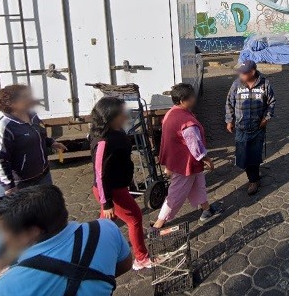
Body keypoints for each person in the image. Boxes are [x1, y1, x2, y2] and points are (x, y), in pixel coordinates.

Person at [0, 185, 132, 296]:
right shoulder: (106, 229)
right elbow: (124, 264)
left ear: (32, 232)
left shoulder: (4, 288)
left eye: (7, 230)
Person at [0, 84, 66, 276]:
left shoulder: (32, 117)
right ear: (13, 104)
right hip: (19, 185)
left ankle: (40, 251)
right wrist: (9, 187)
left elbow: (40, 136)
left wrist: (52, 143)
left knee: (44, 215)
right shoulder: (3, 127)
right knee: (13, 224)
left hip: (43, 177)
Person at [89, 96, 153, 270]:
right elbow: (100, 174)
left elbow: (123, 162)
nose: (126, 116)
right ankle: (141, 258)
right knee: (135, 218)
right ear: (111, 117)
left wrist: (130, 181)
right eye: (122, 113)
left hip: (119, 187)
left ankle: (91, 248)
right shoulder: (103, 141)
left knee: (106, 224)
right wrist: (106, 202)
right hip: (111, 191)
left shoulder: (118, 133)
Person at [153, 83, 218, 231]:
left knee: (199, 184)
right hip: (185, 163)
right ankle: (159, 223)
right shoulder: (187, 122)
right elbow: (194, 145)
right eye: (192, 97)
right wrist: (206, 159)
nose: (195, 99)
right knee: (176, 194)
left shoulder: (171, 113)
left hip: (179, 160)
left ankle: (206, 209)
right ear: (183, 100)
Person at [226, 60, 276, 196]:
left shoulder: (265, 84)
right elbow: (229, 103)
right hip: (241, 128)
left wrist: (266, 118)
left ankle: (253, 180)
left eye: (244, 73)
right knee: (244, 155)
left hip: (258, 128)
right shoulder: (236, 84)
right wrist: (229, 120)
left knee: (254, 153)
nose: (241, 76)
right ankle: (254, 173)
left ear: (252, 72)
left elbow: (271, 102)